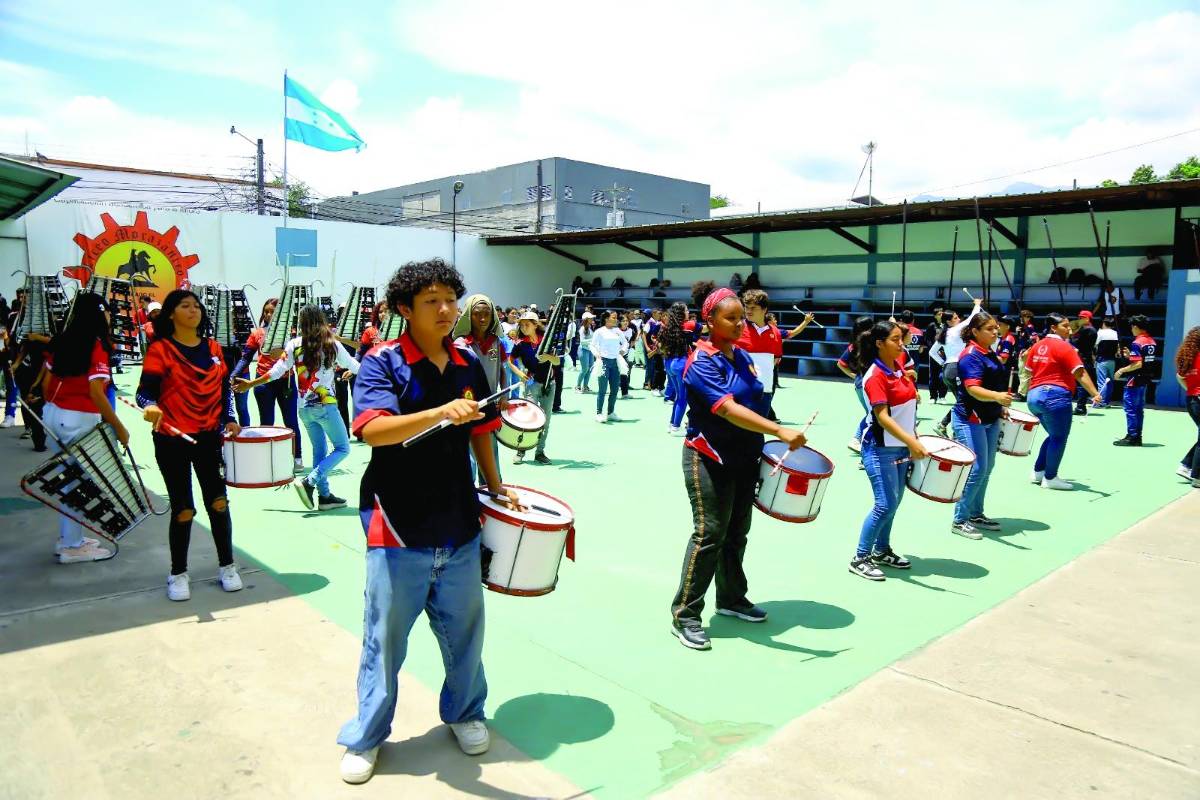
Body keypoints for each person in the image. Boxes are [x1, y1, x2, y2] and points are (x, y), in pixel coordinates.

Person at [336, 259, 518, 785]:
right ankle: (367, 735)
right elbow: (372, 430)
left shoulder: (468, 363)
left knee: (465, 632)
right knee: (385, 639)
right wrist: (440, 413)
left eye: (450, 299)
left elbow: (482, 427)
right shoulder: (382, 362)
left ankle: (464, 711)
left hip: (459, 521)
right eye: (431, 301)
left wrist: (495, 482)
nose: (446, 310)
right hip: (395, 524)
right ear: (404, 310)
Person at [669, 288, 807, 649]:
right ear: (709, 321)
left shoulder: (743, 356)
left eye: (741, 317)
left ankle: (730, 599)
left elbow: (757, 403)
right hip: (708, 457)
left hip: (745, 457)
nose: (738, 323)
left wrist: (774, 439)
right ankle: (685, 614)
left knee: (737, 533)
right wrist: (778, 430)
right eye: (730, 318)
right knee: (709, 533)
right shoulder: (700, 361)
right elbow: (727, 408)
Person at [137, 290, 242, 600]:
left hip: (209, 437)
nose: (193, 310)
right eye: (185, 306)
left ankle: (227, 566)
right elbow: (144, 393)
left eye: (197, 306)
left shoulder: (212, 348)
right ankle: (178, 573)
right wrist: (150, 406)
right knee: (183, 509)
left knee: (218, 503)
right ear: (171, 314)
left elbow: (224, 388)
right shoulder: (161, 350)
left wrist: (230, 417)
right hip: (172, 439)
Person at [236, 304, 360, 509]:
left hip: (304, 409)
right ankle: (309, 482)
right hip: (326, 405)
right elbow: (355, 366)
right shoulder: (331, 344)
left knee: (319, 450)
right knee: (343, 447)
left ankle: (325, 497)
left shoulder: (294, 344)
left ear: (301, 323)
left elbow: (276, 371)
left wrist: (250, 383)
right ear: (321, 321)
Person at [41, 292, 129, 563]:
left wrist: (58, 409)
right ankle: (72, 545)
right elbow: (96, 392)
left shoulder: (62, 340)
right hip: (79, 418)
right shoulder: (96, 344)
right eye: (106, 312)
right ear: (99, 313)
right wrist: (119, 427)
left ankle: (69, 538)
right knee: (80, 483)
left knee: (68, 480)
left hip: (53, 414)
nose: (108, 316)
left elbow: (45, 384)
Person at [849, 321, 928, 581]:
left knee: (894, 504)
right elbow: (882, 417)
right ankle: (860, 558)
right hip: (879, 448)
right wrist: (912, 441)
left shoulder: (898, 368)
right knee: (885, 504)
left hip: (901, 447)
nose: (901, 344)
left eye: (901, 339)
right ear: (879, 343)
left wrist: (913, 437)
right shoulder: (875, 375)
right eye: (895, 340)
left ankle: (882, 550)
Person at [949, 313, 1012, 539]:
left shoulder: (989, 352)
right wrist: (997, 396)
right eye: (989, 329)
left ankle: (976, 514)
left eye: (996, 328)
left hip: (990, 417)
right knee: (977, 470)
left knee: (987, 468)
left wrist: (999, 405)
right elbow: (972, 388)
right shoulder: (970, 356)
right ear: (975, 331)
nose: (995, 332)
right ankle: (960, 520)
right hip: (970, 419)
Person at [1024, 313, 1102, 489]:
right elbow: (1080, 372)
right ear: (1054, 327)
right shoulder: (1064, 347)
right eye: (1065, 326)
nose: (1069, 329)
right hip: (1055, 396)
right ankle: (1050, 478)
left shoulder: (1037, 346)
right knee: (1059, 437)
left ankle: (1038, 472)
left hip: (1033, 397)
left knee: (1053, 435)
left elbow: (1028, 370)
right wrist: (1094, 393)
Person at [236, 298, 303, 468]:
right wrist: (234, 374)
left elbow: (302, 356)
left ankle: (297, 458)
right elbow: (246, 357)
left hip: (285, 381)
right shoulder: (257, 333)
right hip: (263, 383)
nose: (268, 314)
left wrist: (285, 353)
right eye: (266, 311)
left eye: (272, 311)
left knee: (291, 421)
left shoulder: (292, 334)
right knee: (267, 423)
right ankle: (267, 460)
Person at [453, 294, 507, 484]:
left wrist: (504, 394)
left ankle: (493, 492)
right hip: (467, 409)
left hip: (490, 408)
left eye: (487, 314)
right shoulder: (460, 345)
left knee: (490, 457)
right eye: (477, 314)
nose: (483, 319)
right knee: (467, 459)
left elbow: (501, 369)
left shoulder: (496, 342)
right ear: (468, 316)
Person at [738, 289, 814, 419]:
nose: (748, 311)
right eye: (746, 307)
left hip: (766, 391)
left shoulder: (776, 333)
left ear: (764, 309)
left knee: (757, 434)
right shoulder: (737, 328)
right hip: (742, 390)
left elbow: (775, 360)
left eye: (753, 308)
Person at [507, 310, 557, 464]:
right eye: (521, 325)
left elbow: (557, 362)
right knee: (529, 419)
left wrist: (548, 357)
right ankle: (520, 451)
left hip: (550, 383)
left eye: (526, 324)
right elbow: (510, 360)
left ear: (535, 325)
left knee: (545, 421)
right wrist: (519, 372)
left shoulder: (547, 342)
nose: (523, 327)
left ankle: (540, 452)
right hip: (531, 384)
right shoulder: (521, 345)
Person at [934, 298, 983, 438]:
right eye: (955, 318)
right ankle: (945, 426)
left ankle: (951, 429)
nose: (958, 319)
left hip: (947, 370)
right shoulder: (956, 329)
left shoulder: (944, 334)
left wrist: (943, 363)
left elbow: (932, 352)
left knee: (962, 401)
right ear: (949, 321)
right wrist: (977, 304)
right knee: (964, 402)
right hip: (956, 369)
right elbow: (972, 318)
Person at [1113, 314, 1158, 447]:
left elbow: (1138, 364)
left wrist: (1121, 370)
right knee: (1139, 409)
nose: (1131, 329)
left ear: (1136, 327)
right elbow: (1142, 360)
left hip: (1134, 379)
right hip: (1145, 379)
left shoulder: (1137, 342)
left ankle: (1132, 436)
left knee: (1131, 409)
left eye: (1132, 326)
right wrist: (1129, 356)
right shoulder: (1151, 341)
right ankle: (1137, 435)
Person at [837, 315, 878, 453]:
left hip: (859, 383)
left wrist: (853, 376)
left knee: (871, 414)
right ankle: (858, 439)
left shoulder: (853, 345)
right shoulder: (875, 344)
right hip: (870, 384)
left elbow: (841, 363)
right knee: (873, 414)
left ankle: (861, 440)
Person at [1174, 325, 1200, 487]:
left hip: (1191, 400)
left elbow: (1180, 377)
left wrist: (1192, 391)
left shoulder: (1188, 357)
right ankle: (1196, 476)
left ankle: (1186, 465)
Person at [661, 303, 691, 435]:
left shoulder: (667, 327)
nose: (688, 312)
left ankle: (671, 424)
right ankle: (676, 427)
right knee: (683, 397)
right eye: (686, 310)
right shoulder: (687, 326)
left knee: (678, 396)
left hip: (669, 363)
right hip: (681, 363)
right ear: (681, 313)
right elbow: (705, 330)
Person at [591, 310, 626, 422]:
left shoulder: (618, 331)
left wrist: (623, 351)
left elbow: (625, 343)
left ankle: (610, 413)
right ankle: (599, 413)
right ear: (606, 319)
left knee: (615, 389)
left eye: (616, 318)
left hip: (615, 362)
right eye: (613, 317)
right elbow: (592, 345)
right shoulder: (599, 331)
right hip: (604, 362)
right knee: (602, 389)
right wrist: (597, 355)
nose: (616, 320)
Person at [1071, 310, 1098, 416]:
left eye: (1082, 317)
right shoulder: (1084, 329)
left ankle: (1080, 407)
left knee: (1082, 383)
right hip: (1082, 357)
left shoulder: (1088, 330)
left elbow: (1077, 343)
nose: (1080, 319)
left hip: (1083, 358)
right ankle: (1080, 406)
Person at [923, 308, 948, 403]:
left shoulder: (947, 326)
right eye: (939, 314)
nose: (941, 315)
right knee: (933, 375)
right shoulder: (932, 326)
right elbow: (927, 339)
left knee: (943, 376)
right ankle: (933, 396)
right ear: (935, 316)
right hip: (934, 354)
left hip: (945, 354)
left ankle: (942, 396)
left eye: (942, 313)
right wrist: (932, 349)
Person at [1094, 316, 1120, 407]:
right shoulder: (1115, 333)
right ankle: (1106, 402)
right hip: (1112, 360)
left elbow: (1095, 345)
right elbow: (1117, 347)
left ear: (1104, 323)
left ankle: (1101, 402)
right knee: (1110, 382)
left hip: (1102, 360)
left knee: (1101, 382)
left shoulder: (1100, 333)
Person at [575, 312, 596, 392]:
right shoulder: (582, 329)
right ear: (586, 319)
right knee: (585, 369)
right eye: (590, 318)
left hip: (590, 350)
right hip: (583, 350)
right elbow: (582, 341)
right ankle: (578, 386)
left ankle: (585, 387)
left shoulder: (590, 327)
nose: (592, 319)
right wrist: (593, 340)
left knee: (590, 369)